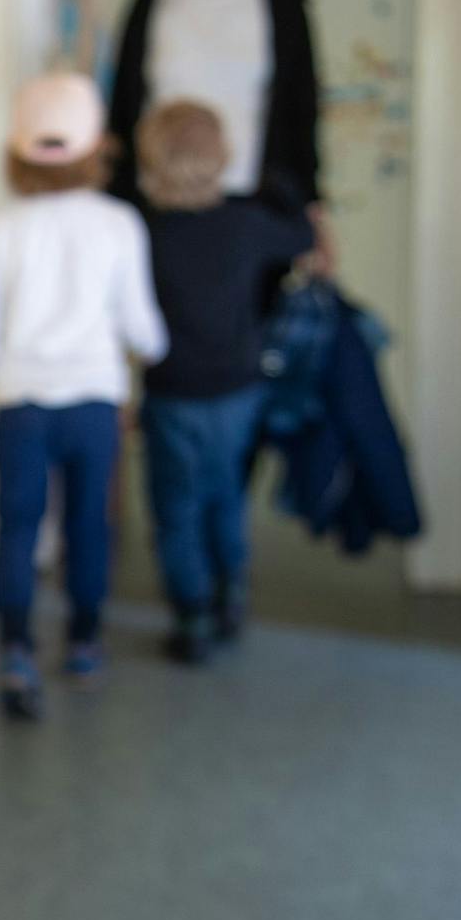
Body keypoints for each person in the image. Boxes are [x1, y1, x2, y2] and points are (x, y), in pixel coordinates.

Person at [0, 73, 169, 721]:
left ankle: (15, 648)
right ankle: (83, 642)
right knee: (87, 526)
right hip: (95, 402)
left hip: (19, 402)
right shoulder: (119, 224)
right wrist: (156, 350)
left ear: (15, 152)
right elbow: (142, 328)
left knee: (16, 525)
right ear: (97, 149)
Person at [136, 101, 317, 664]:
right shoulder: (245, 223)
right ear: (223, 156)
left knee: (175, 505)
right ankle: (230, 594)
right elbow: (300, 237)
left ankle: (190, 614)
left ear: (152, 159)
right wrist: (281, 191)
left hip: (171, 390)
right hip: (238, 388)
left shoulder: (145, 230)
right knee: (226, 496)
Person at [106, 0, 329, 248]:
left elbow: (302, 108)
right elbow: (122, 105)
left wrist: (314, 207)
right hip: (159, 207)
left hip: (255, 203)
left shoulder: (281, 0)